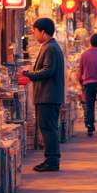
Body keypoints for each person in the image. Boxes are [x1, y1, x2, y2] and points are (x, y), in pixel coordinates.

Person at [26, 17, 65, 172]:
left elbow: (48, 70)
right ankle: (51, 158)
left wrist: (30, 74)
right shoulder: (50, 47)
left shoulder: (50, 48)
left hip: (48, 95)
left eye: (35, 31)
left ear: (42, 31)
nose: (34, 34)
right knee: (49, 128)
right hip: (48, 95)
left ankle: (52, 160)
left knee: (48, 128)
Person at [77, 33, 97, 136]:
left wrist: (80, 80)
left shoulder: (84, 54)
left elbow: (80, 69)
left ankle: (90, 125)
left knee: (89, 105)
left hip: (87, 83)